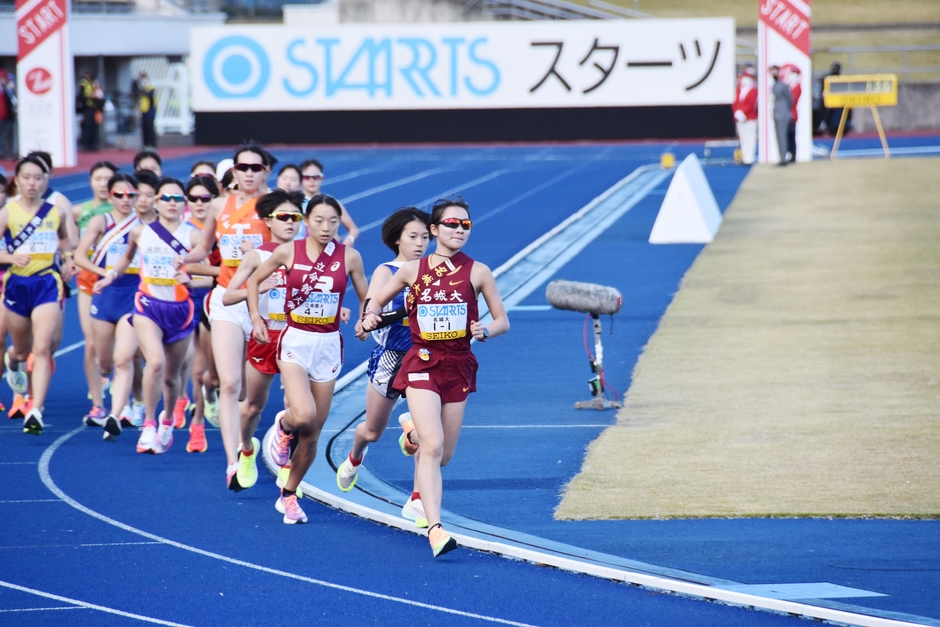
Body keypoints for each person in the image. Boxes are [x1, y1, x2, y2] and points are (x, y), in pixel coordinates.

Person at [361, 198, 509, 556]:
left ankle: (412, 431)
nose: (459, 230)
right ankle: (436, 528)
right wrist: (368, 318)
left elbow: (502, 320)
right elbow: (376, 300)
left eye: (465, 226)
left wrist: (484, 330)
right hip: (422, 362)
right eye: (452, 224)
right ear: (435, 229)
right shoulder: (413, 270)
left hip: (457, 364)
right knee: (432, 446)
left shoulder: (478, 272)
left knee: (442, 454)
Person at [247, 193, 368, 524]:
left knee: (314, 432)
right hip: (295, 340)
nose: (326, 227)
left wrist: (364, 318)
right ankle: (284, 427)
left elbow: (366, 296)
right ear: (305, 220)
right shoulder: (289, 251)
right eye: (318, 220)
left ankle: (288, 494)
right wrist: (257, 318)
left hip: (328, 345)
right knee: (302, 414)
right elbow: (255, 279)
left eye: (333, 221)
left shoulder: (350, 257)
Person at [174, 143, 271, 487]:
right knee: (229, 383)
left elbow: (289, 247)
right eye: (242, 167)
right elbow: (205, 247)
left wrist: (258, 253)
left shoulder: (275, 206)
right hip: (226, 300)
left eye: (255, 168)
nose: (247, 173)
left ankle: (249, 445)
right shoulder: (219, 205)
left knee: (253, 394)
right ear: (234, 171)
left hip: (265, 303)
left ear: (265, 171)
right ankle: (232, 462)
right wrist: (186, 257)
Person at [337, 207, 431, 528]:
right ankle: (355, 456)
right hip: (392, 358)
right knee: (373, 431)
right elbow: (370, 306)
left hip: (426, 357)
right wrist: (367, 319)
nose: (420, 244)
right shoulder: (387, 270)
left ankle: (417, 499)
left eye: (425, 237)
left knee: (429, 436)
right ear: (397, 239)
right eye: (412, 237)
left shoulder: (436, 271)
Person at [95, 178, 199, 453]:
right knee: (155, 362)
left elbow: (209, 268)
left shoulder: (194, 235)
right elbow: (126, 259)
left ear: (184, 204)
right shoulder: (141, 232)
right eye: (166, 198)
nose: (172, 203)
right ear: (156, 202)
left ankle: (167, 420)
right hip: (147, 305)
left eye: (178, 199)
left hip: (180, 309)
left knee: (171, 376)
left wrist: (191, 276)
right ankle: (149, 425)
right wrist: (110, 277)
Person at [222, 189, 303, 488]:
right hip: (266, 335)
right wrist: (258, 287)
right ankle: (247, 449)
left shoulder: (310, 254)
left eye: (296, 217)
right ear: (268, 221)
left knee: (296, 407)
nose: (290, 223)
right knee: (253, 406)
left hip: (298, 335)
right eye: (283, 217)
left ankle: (288, 468)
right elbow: (229, 296)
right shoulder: (258, 255)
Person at [0, 156, 76, 434]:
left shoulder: (56, 212)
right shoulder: (7, 213)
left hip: (47, 283)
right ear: (17, 181)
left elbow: (65, 241)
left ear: (46, 180)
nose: (33, 183)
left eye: (38, 178)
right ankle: (14, 364)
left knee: (42, 348)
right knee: (21, 351)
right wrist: (9, 257)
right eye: (27, 177)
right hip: (17, 285)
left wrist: (67, 258)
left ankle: (36, 408)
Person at [74, 173, 148, 438]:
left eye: (131, 195)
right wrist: (102, 272)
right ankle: (119, 400)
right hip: (105, 293)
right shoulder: (100, 221)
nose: (126, 200)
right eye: (119, 195)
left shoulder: (144, 224)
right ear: (110, 196)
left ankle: (122, 410)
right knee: (104, 361)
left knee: (126, 357)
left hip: (133, 294)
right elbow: (80, 255)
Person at [73, 161, 118, 423]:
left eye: (108, 179)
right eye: (98, 178)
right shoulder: (80, 211)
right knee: (90, 343)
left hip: (120, 280)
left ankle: (131, 399)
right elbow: (67, 240)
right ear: (90, 181)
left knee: (124, 350)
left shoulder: (123, 211)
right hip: (89, 279)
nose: (103, 184)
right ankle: (98, 405)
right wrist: (69, 255)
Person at [180, 175, 220, 451]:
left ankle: (212, 394)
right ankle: (197, 426)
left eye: (205, 198)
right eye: (193, 198)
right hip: (186, 303)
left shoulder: (224, 229)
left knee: (212, 374)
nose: (199, 204)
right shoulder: (180, 230)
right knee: (194, 370)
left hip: (218, 301)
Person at [299, 159, 359, 246]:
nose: (311, 181)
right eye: (307, 177)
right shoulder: (294, 203)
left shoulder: (331, 202)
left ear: (322, 178)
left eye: (316, 177)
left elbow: (353, 229)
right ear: (301, 179)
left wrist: (350, 239)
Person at [732, 67, 758, 165]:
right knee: (742, 137)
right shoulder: (738, 90)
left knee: (750, 137)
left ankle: (749, 158)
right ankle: (744, 156)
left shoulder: (753, 90)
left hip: (750, 117)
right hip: (739, 118)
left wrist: (744, 112)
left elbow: (751, 104)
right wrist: (737, 112)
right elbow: (735, 102)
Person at [770, 65, 792, 166]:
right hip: (776, 113)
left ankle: (784, 158)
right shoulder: (774, 85)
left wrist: (786, 110)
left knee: (782, 136)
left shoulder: (782, 85)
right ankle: (781, 157)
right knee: (779, 136)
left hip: (782, 113)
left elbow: (790, 99)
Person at [77, 71, 104, 152]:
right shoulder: (83, 83)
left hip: (94, 108)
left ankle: (93, 144)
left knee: (93, 128)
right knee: (87, 127)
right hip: (87, 108)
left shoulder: (93, 83)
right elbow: (81, 96)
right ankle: (86, 145)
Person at [134, 73, 157, 150]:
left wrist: (142, 89)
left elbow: (149, 95)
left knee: (150, 128)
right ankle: (145, 144)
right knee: (144, 128)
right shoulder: (141, 88)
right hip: (144, 110)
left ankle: (152, 145)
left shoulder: (150, 87)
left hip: (150, 110)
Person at [786, 67, 802, 163]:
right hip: (787, 113)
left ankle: (793, 154)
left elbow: (793, 99)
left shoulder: (797, 86)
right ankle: (789, 153)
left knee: (791, 135)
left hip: (791, 114)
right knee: (788, 135)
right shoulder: (790, 86)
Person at [0, 70, 15, 160]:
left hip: (8, 116)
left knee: (8, 135)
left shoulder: (7, 90)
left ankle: (8, 152)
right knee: (2, 136)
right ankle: (3, 153)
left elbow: (12, 100)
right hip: (1, 116)